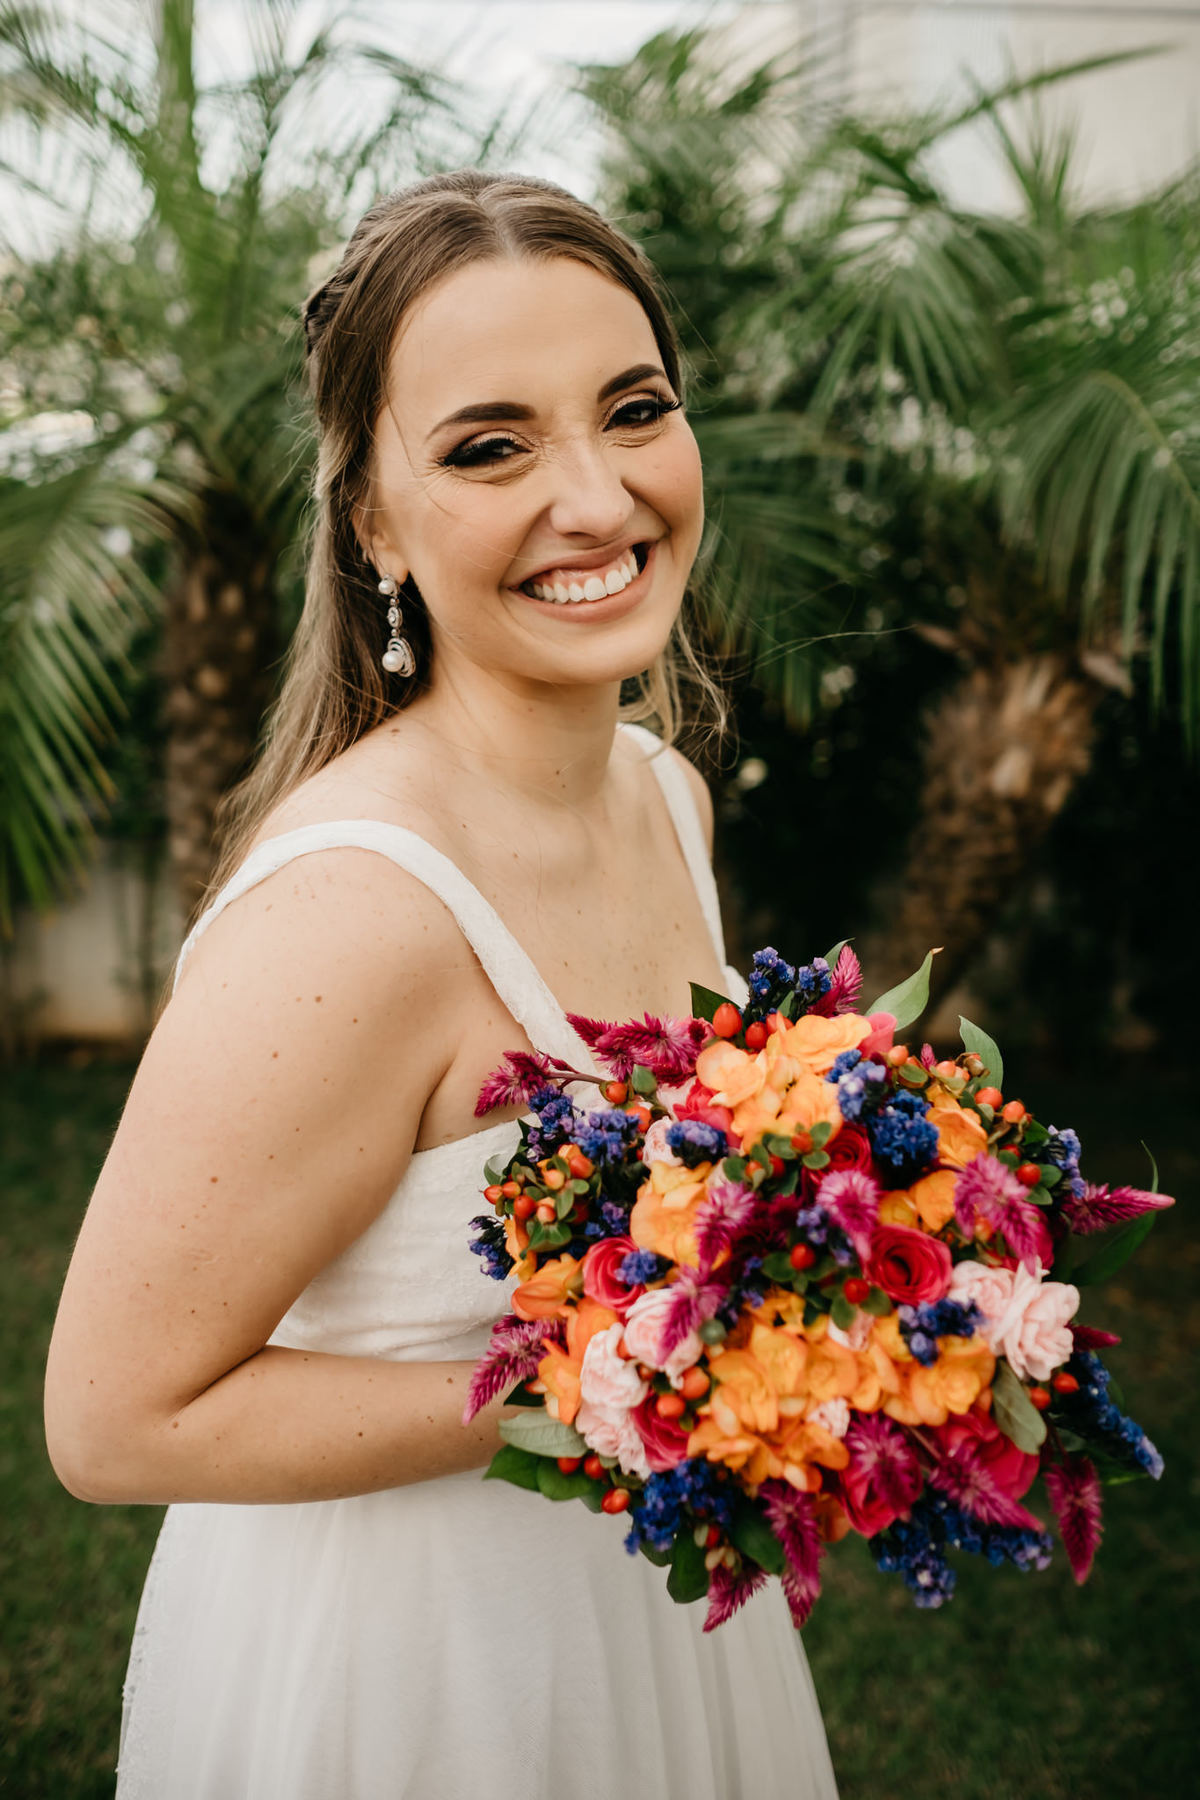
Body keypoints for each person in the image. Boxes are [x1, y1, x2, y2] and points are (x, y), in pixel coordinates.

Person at [44, 170, 840, 1800]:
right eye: (490, 448)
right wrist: (606, 1382)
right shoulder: (353, 914)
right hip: (418, 1664)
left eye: (635, 411)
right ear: (372, 521)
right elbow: (113, 1420)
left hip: (655, 1603)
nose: (598, 498)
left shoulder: (666, 796)